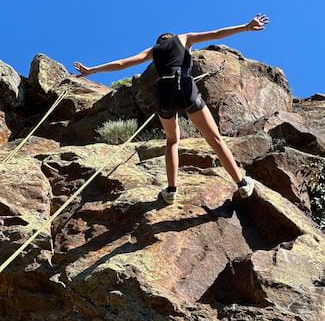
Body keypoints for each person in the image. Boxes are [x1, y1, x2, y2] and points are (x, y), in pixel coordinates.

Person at [73, 13, 270, 205]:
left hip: (163, 92)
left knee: (172, 141)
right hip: (184, 84)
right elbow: (217, 33)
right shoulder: (183, 38)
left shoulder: (154, 51)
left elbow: (123, 63)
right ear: (171, 36)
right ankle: (242, 184)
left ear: (159, 41)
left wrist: (93, 70)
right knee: (215, 139)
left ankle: (171, 191)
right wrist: (245, 27)